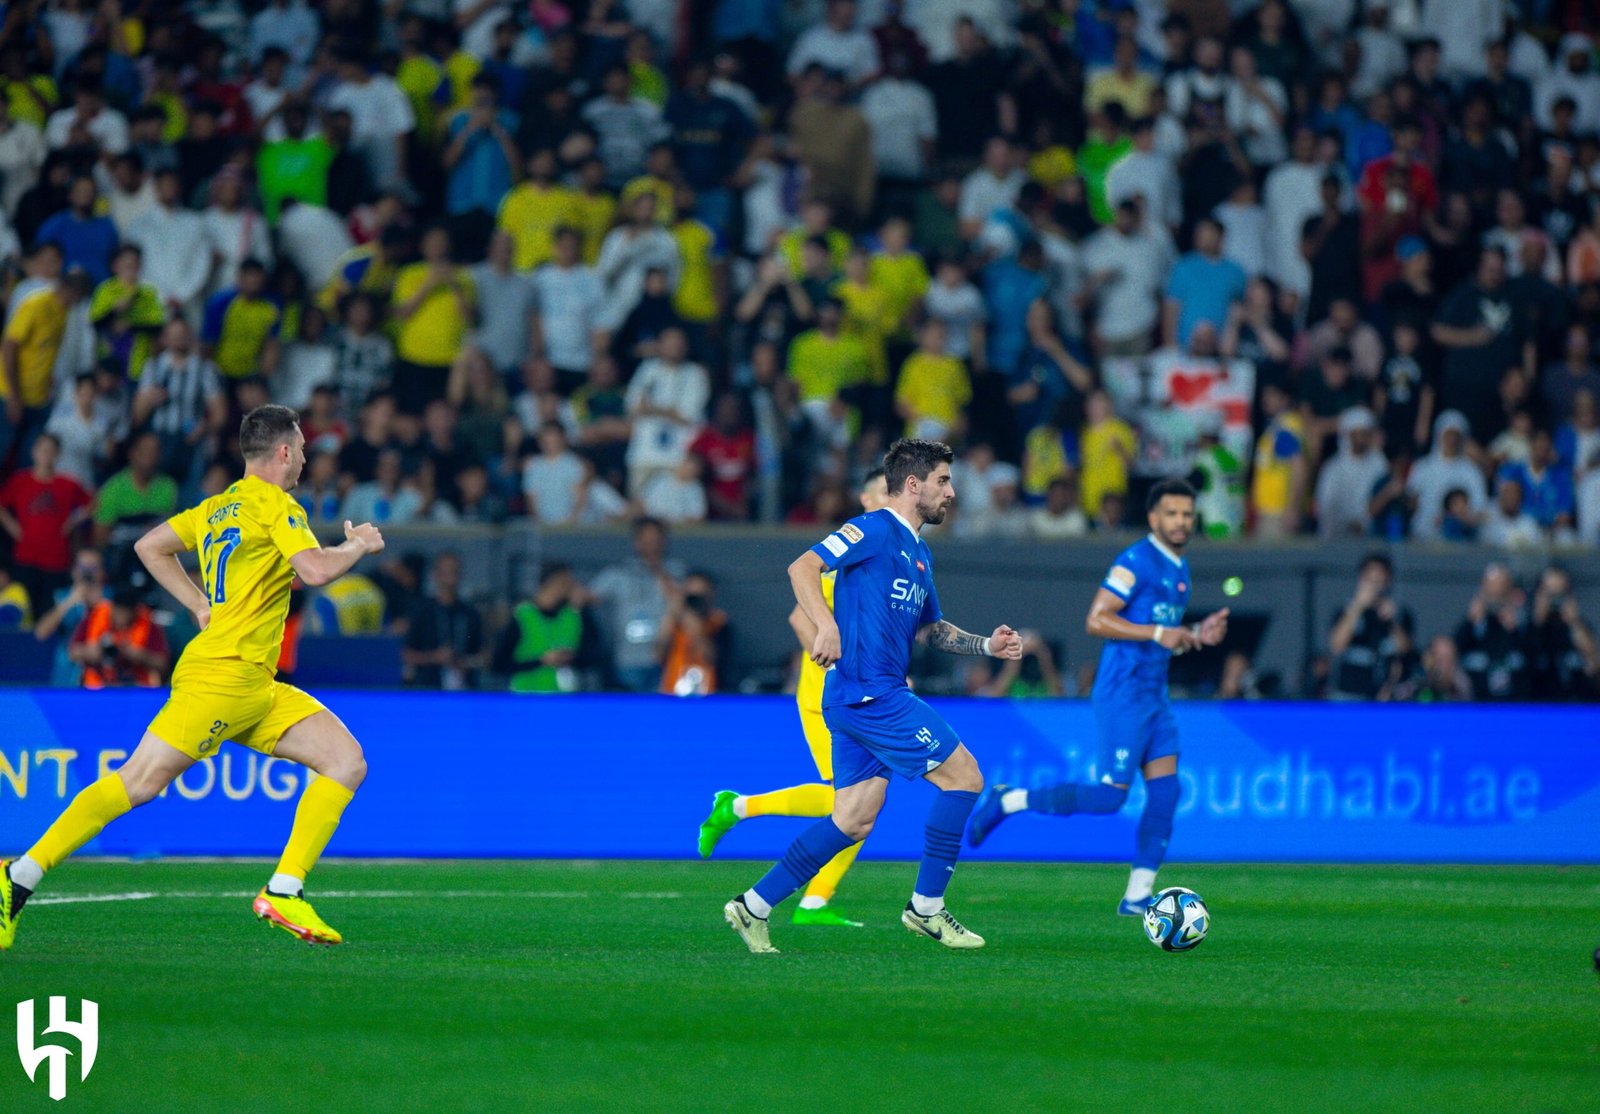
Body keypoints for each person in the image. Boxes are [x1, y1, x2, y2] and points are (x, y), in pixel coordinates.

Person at [0, 405, 386, 951]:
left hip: (255, 684)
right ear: (281, 452)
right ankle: (17, 877)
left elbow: (148, 547)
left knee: (346, 761)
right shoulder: (278, 505)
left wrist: (199, 604)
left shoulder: (218, 507)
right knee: (139, 782)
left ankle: (284, 888)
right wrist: (358, 545)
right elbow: (317, 570)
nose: (303, 457)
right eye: (299, 448)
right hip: (223, 679)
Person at [721, 439, 1024, 954]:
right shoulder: (874, 528)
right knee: (966, 777)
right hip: (871, 694)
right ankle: (926, 908)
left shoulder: (920, 553)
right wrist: (826, 627)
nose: (951, 492)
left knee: (854, 817)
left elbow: (931, 630)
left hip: (857, 699)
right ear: (913, 484)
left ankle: (753, 905)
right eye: (944, 481)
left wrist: (986, 646)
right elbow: (802, 567)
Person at [967, 478, 1229, 917]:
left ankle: (1137, 898)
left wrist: (1195, 636)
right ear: (1153, 518)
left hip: (1153, 695)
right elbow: (1097, 619)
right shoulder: (1136, 561)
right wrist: (1160, 632)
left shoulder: (1179, 568)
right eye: (1172, 513)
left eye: (1187, 514)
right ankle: (1009, 799)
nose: (1181, 521)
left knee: (1166, 794)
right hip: (1122, 693)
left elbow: (1162, 636)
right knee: (1110, 797)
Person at [697, 468, 890, 928]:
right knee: (848, 803)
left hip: (862, 695)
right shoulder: (853, 545)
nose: (891, 500)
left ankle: (815, 901)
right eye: (884, 492)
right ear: (864, 498)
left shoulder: (886, 552)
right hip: (829, 694)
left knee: (864, 802)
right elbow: (801, 619)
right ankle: (739, 808)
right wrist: (839, 663)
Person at [1327, 553, 1415, 701]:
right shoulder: (1345, 610)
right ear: (1361, 579)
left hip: (1386, 695)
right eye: (1370, 579)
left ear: (1388, 581)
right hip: (1349, 695)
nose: (1374, 585)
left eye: (1379, 579)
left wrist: (1392, 621)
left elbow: (1405, 649)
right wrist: (1357, 608)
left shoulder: (1399, 613)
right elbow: (1337, 645)